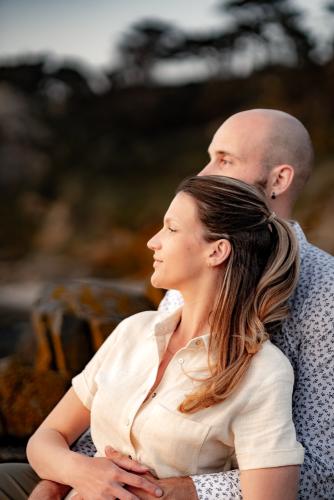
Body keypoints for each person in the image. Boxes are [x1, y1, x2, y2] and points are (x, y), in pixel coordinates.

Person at [2, 108, 333, 499]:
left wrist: (164, 491)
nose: (207, 172)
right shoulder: (176, 290)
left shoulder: (323, 298)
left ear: (279, 179)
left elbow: (319, 470)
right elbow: (126, 403)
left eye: (225, 159)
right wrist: (63, 479)